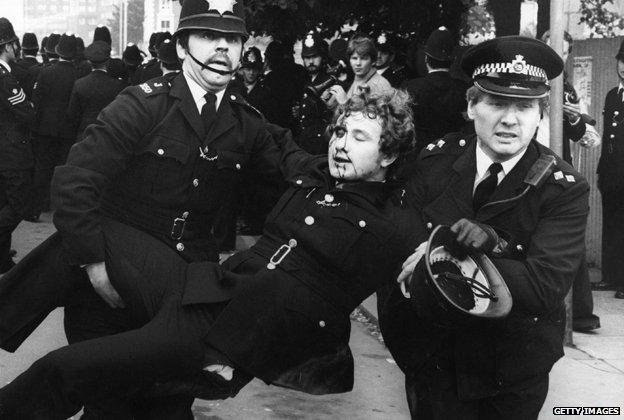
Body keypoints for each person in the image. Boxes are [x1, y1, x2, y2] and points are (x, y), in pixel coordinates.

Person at [0, 89, 419, 420]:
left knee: (65, 368)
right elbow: (268, 133)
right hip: (205, 286)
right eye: (340, 132)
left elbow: (442, 256)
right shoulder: (316, 175)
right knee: (93, 234)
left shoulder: (395, 226)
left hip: (216, 334)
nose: (341, 145)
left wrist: (479, 240)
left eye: (359, 137)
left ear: (389, 154)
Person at [0, 0, 291, 417]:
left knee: (169, 406)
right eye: (208, 37)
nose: (222, 49)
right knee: (109, 405)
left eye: (232, 39)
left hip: (183, 292)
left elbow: (291, 171)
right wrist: (95, 265)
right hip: (111, 292)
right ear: (183, 45)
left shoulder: (246, 122)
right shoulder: (143, 104)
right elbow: (74, 181)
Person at [378, 36, 590, 419]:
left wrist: (448, 256)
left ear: (541, 114)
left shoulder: (563, 188)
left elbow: (544, 285)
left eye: (524, 106)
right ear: (472, 105)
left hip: (510, 372)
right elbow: (397, 242)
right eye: (496, 103)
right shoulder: (434, 161)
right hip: (436, 361)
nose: (509, 119)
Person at [540, 30, 601, 330]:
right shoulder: (528, 83)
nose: (557, 56)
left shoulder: (570, 91)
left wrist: (576, 119)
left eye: (562, 51)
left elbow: (592, 140)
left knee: (568, 242)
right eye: (550, 48)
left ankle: (580, 314)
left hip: (559, 174)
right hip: (527, 169)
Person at [0, 17, 35, 273]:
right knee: (19, 204)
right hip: (12, 152)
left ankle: (2, 257)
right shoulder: (5, 79)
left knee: (3, 202)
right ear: (9, 46)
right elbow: (27, 114)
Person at [30, 32, 78, 220]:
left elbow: (37, 102)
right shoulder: (79, 74)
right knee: (63, 169)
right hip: (67, 131)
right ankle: (61, 210)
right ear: (74, 54)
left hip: (44, 129)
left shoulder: (46, 72)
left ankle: (36, 209)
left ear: (57, 51)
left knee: (42, 168)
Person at [401, 26, 470, 152]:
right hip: (453, 155)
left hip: (417, 156)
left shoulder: (410, 88)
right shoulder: (464, 90)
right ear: (453, 60)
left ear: (426, 59)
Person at [597, 39, 624, 299]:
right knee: (612, 225)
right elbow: (609, 138)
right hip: (612, 173)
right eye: (622, 60)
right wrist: (602, 170)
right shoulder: (612, 95)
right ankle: (611, 276)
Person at [66, 41, 126, 142]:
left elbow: (72, 115)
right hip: (109, 135)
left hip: (85, 135)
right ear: (107, 62)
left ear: (89, 62)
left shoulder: (79, 84)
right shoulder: (117, 85)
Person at [325, 33, 394, 108]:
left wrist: (345, 103)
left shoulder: (380, 84)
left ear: (372, 61)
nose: (358, 63)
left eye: (364, 58)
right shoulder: (356, 79)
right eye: (354, 58)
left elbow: (377, 117)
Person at [294, 32, 333, 155]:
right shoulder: (303, 79)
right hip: (304, 143)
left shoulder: (329, 81)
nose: (311, 61)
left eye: (315, 57)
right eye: (307, 57)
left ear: (322, 57)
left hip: (321, 146)